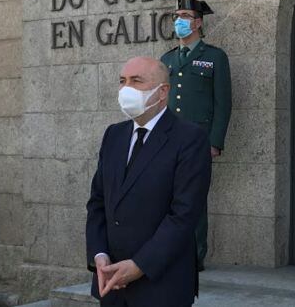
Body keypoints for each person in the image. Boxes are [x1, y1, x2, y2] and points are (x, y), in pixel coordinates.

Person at [86, 57, 212, 306]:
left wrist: (139, 265)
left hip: (161, 286)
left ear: (163, 91)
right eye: (122, 81)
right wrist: (99, 255)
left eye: (136, 81)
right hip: (111, 283)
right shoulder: (114, 134)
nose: (126, 89)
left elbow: (183, 215)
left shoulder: (190, 138)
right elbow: (98, 202)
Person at [159, 0, 232, 271]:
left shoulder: (214, 57)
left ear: (198, 22)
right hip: (167, 140)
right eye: (177, 15)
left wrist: (215, 141)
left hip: (198, 140)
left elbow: (223, 103)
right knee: (166, 197)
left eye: (185, 15)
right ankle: (169, 250)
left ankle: (194, 254)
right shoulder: (166, 59)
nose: (179, 20)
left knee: (194, 198)